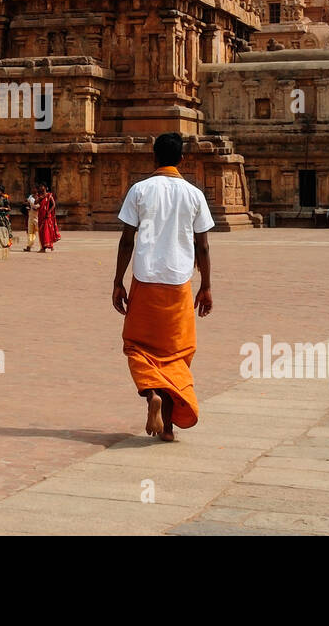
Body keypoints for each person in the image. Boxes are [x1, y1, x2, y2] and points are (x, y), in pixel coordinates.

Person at [111, 132, 214, 443]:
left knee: (137, 346)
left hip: (145, 281)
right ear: (182, 159)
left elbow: (127, 239)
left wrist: (118, 281)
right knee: (177, 354)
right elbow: (204, 247)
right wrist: (206, 286)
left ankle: (152, 392)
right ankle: (168, 427)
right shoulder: (194, 194)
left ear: (153, 157)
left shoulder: (139, 190)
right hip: (180, 283)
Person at [37, 183, 60, 252]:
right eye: (40, 186)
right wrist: (39, 199)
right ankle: (43, 246)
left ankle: (45, 246)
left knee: (46, 231)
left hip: (47, 216)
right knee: (41, 231)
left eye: (42, 186)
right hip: (40, 215)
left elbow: (53, 205)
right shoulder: (39, 196)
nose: (41, 187)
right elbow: (35, 203)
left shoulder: (49, 195)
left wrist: (49, 212)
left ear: (46, 188)